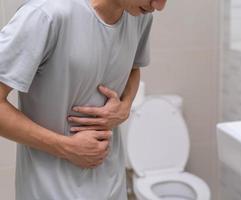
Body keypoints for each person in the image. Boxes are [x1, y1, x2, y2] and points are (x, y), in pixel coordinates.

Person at [0, 0, 166, 199]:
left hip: (112, 186)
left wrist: (126, 105)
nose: (159, 6)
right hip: (50, 190)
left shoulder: (139, 16)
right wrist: (66, 147)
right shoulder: (45, 15)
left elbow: (133, 67)